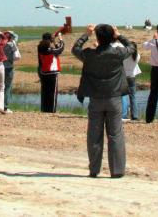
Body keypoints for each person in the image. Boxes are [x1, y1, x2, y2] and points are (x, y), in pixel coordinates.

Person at [72, 23, 137, 178]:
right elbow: (131, 47)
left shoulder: (89, 54)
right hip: (114, 98)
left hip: (95, 98)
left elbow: (75, 49)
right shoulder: (117, 53)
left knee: (94, 135)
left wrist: (86, 34)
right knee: (115, 135)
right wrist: (119, 35)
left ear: (98, 37)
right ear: (111, 37)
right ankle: (117, 170)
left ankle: (94, 169)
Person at [38, 31, 65, 113]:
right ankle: (52, 110)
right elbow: (60, 48)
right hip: (52, 73)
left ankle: (44, 109)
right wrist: (60, 39)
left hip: (44, 72)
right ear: (49, 40)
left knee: (45, 92)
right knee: (53, 93)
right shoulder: (51, 50)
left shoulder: (40, 48)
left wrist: (52, 41)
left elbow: (56, 51)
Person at [120, 42, 140, 121]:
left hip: (124, 77)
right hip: (132, 76)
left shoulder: (124, 56)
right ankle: (135, 115)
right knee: (133, 96)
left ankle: (124, 114)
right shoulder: (137, 56)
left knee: (123, 95)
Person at [2, 30, 20, 109]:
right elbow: (16, 36)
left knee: (0, 87)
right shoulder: (11, 44)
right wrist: (10, 32)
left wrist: (3, 33)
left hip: (0, 67)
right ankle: (5, 106)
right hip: (9, 67)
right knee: (8, 87)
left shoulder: (0, 44)